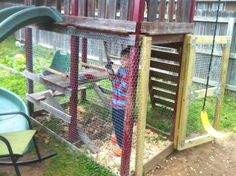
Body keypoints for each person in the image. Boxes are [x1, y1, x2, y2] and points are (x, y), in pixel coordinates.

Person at [106, 47, 130, 156]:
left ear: (131, 61)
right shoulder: (121, 69)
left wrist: (112, 78)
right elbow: (116, 81)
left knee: (120, 124)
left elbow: (121, 87)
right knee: (114, 120)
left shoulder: (130, 72)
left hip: (122, 104)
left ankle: (122, 147)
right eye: (121, 59)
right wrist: (112, 75)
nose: (122, 61)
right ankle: (117, 136)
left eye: (125, 59)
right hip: (115, 101)